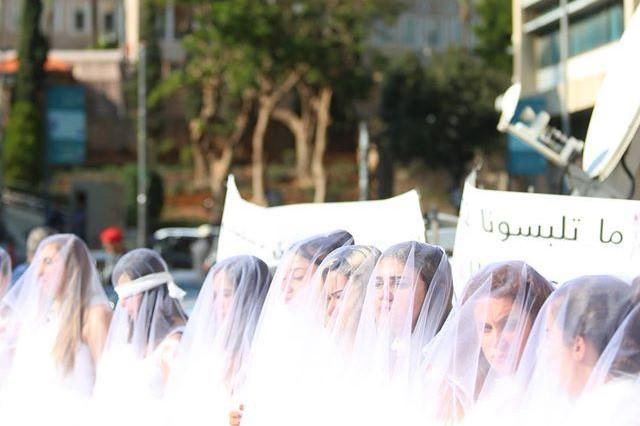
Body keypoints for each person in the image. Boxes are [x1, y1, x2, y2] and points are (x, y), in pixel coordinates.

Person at [234, 230, 354, 426]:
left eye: (297, 277)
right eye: (283, 277)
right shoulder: (279, 337)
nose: (285, 286)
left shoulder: (342, 342)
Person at [418, 261, 553, 425]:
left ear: (537, 318)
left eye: (509, 325)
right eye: (486, 328)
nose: (498, 342)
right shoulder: (474, 395)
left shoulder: (554, 394)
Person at [0, 234, 112, 423]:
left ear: (72, 267)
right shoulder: (41, 318)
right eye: (39, 262)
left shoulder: (94, 314)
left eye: (49, 262)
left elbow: (107, 380)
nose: (38, 272)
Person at [346, 241, 454, 426]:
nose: (384, 295)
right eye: (378, 284)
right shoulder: (377, 355)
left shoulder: (450, 366)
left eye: (399, 283)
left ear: (436, 290)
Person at [512, 275, 635, 426]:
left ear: (578, 346)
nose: (543, 351)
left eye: (549, 336)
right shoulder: (625, 398)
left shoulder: (600, 413)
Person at [165, 255, 271, 426]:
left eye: (227, 294)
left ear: (250, 296)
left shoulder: (267, 351)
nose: (217, 304)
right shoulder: (207, 350)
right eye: (215, 295)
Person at [94, 249, 188, 416]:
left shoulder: (175, 344)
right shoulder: (130, 339)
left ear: (150, 294)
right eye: (120, 296)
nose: (122, 304)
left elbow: (179, 407)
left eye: (129, 295)